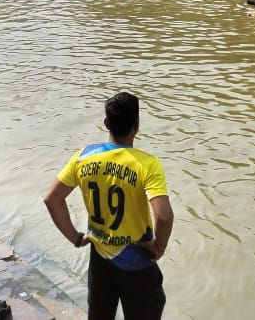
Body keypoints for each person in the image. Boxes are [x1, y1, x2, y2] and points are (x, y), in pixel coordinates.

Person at [44, 91, 174, 320]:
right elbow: (163, 217)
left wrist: (76, 237)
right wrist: (158, 246)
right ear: (137, 125)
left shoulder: (84, 157)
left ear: (106, 123)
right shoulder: (147, 164)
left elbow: (52, 200)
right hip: (136, 262)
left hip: (100, 259)